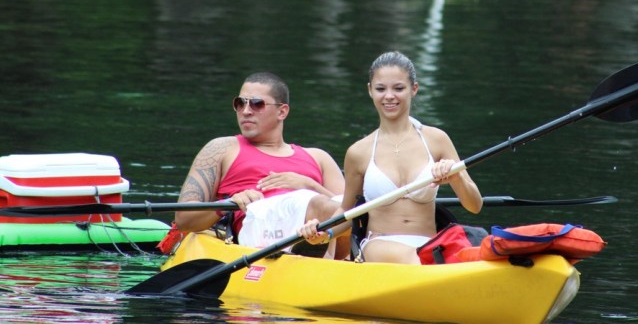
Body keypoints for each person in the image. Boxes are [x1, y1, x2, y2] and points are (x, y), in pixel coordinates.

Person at [299, 51, 483, 264]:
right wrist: (325, 233)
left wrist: (455, 177)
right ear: (370, 91)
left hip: (429, 245)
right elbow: (347, 212)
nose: (389, 96)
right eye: (380, 89)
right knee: (420, 260)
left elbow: (475, 206)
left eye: (398, 88)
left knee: (453, 252)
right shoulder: (359, 152)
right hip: (380, 245)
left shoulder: (437, 140)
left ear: (414, 89)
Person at [173, 71, 348, 258]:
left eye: (257, 104)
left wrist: (311, 185)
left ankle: (315, 250)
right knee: (319, 205)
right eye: (240, 103)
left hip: (312, 220)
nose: (246, 111)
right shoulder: (222, 148)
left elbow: (351, 209)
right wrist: (226, 204)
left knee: (349, 207)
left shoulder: (318, 157)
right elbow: (183, 219)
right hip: (256, 221)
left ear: (282, 111)